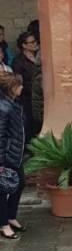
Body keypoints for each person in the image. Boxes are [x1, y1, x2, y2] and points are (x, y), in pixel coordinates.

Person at [0, 73, 26, 240]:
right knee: (2, 190)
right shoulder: (3, 108)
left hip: (16, 154)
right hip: (7, 155)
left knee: (20, 183)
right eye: (19, 85)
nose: (22, 87)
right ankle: (4, 224)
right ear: (12, 88)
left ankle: (10, 216)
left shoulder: (14, 104)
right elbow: (0, 135)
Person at [11, 30, 39, 139]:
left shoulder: (39, 57)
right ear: (24, 45)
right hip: (27, 100)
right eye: (32, 42)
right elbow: (19, 83)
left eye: (35, 41)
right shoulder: (18, 62)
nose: (35, 44)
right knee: (30, 127)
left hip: (40, 98)